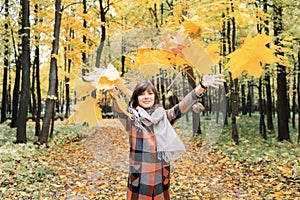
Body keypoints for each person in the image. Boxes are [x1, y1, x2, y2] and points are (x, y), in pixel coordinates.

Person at [112, 74, 225, 200]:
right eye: (142, 94)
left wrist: (202, 87)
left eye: (150, 93)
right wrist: (114, 93)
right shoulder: (132, 120)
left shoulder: (164, 117)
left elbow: (182, 107)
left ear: (155, 97)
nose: (146, 97)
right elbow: (120, 111)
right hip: (139, 180)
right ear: (136, 98)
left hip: (161, 179)